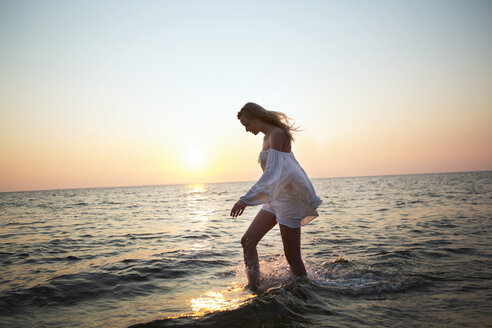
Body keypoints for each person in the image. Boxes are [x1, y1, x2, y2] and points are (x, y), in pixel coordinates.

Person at [230, 102, 322, 292]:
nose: (247, 130)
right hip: (275, 198)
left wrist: (245, 199)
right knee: (247, 241)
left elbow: (272, 172)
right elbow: (271, 174)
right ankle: (253, 288)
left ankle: (305, 293)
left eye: (247, 125)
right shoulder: (266, 137)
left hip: (289, 199)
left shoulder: (278, 134)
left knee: (292, 256)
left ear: (256, 117)